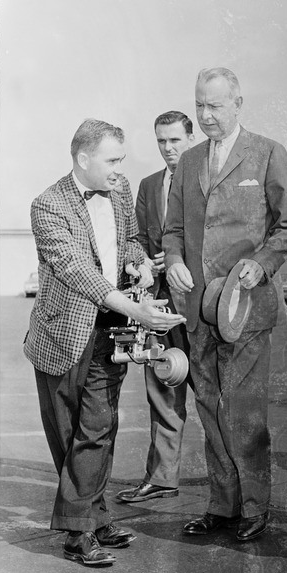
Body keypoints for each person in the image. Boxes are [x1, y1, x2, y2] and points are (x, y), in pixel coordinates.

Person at [24, 118, 187, 567]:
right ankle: (93, 516)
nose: (120, 169)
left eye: (122, 160)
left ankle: (78, 535)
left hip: (108, 333)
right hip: (61, 337)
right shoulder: (47, 205)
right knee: (68, 433)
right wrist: (137, 309)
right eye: (112, 160)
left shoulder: (118, 191)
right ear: (83, 158)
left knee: (97, 429)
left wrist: (140, 267)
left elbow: (130, 242)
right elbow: (75, 269)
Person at [164, 67, 287, 542]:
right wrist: (174, 259)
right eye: (200, 105)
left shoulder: (268, 153)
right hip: (197, 309)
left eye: (216, 106)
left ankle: (255, 506)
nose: (206, 115)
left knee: (243, 410)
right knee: (208, 406)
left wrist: (260, 264)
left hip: (246, 309)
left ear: (238, 103)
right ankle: (222, 505)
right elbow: (173, 229)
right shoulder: (188, 162)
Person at [116, 111, 197, 504]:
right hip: (158, 309)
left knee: (216, 400)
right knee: (162, 391)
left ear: (190, 137)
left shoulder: (207, 179)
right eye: (161, 141)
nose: (168, 148)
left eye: (175, 140)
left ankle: (232, 497)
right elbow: (135, 240)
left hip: (200, 307)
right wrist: (147, 262)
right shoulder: (148, 186)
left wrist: (180, 257)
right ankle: (162, 478)